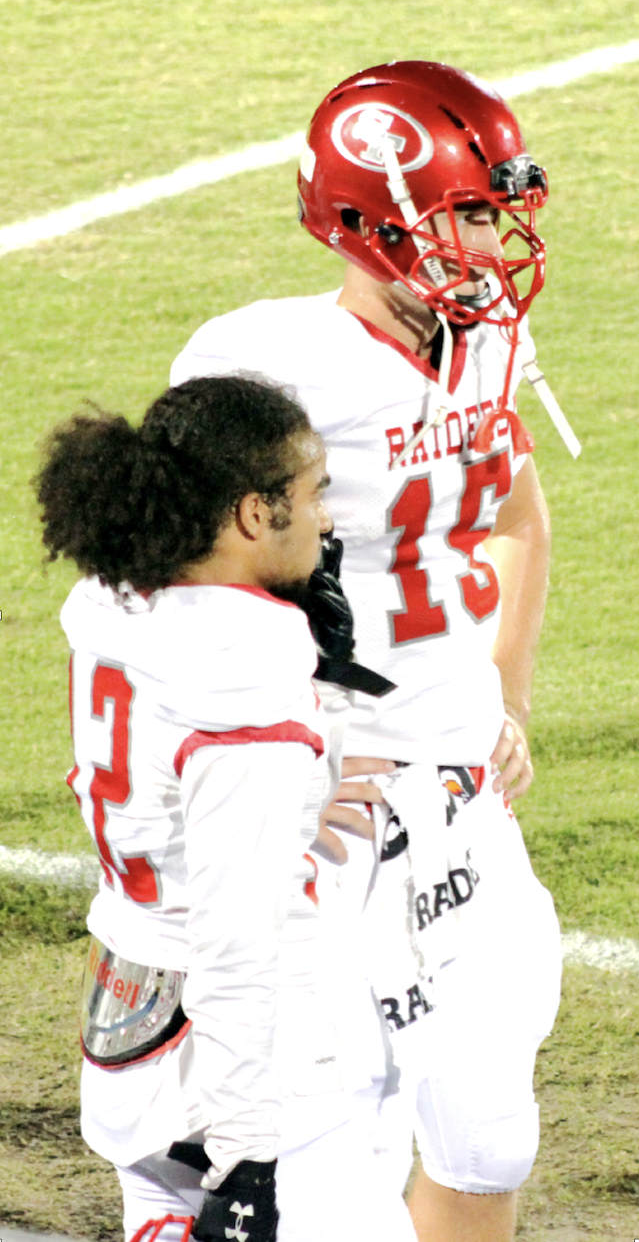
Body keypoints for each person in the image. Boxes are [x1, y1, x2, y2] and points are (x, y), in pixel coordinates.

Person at [170, 61, 563, 1242]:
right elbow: (184, 595)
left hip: (455, 790)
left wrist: (503, 700)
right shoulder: (264, 368)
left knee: (489, 1134)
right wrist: (277, 762)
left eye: (498, 213)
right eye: (468, 213)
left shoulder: (484, 337)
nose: (493, 243)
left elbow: (513, 518)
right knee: (318, 1165)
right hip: (325, 812)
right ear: (371, 219)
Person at [38, 376, 416, 1242]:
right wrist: (250, 1154)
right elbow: (238, 932)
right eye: (312, 494)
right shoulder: (241, 664)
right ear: (253, 515)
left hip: (129, 1015)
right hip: (238, 1066)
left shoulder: (113, 599)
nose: (326, 519)